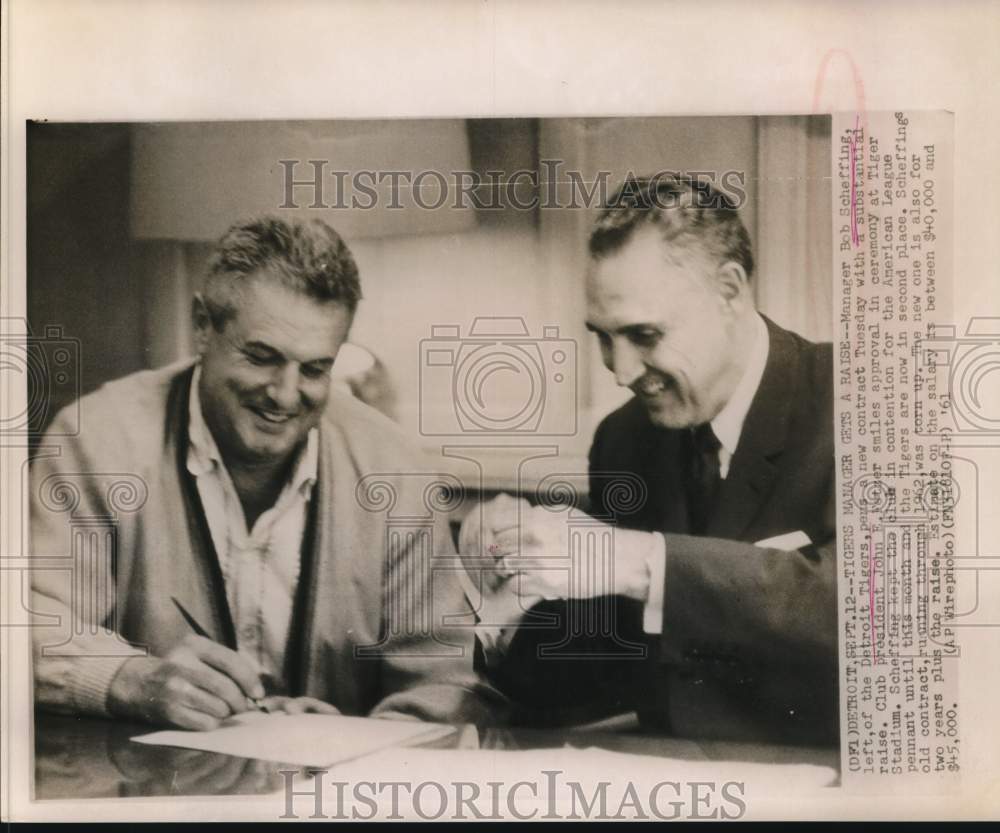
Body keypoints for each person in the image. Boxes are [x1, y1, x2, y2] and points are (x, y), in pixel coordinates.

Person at [31, 216, 502, 730]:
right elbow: (22, 626)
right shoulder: (96, 439)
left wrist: (352, 736)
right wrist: (129, 678)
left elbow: (446, 686)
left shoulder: (396, 471)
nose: (283, 394)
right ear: (202, 326)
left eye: (315, 369)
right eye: (261, 357)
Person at [464, 176, 837, 744]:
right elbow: (589, 673)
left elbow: (880, 610)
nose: (620, 370)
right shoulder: (625, 441)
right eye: (603, 338)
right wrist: (506, 599)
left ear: (730, 291)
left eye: (644, 334)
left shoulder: (865, 398)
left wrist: (641, 562)